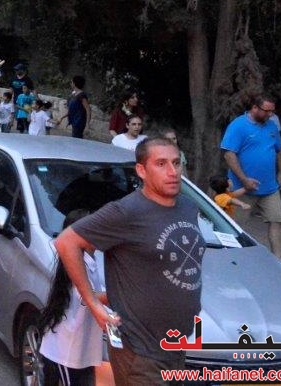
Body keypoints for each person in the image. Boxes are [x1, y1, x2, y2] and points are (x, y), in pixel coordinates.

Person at [55, 138, 205, 383]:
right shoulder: (126, 211)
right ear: (141, 170)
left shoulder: (187, 207)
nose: (172, 171)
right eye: (161, 164)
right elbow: (66, 242)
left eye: (176, 163)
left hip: (176, 345)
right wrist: (93, 303)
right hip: (139, 350)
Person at [38, 209, 104, 386]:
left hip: (80, 350)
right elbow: (89, 296)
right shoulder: (76, 265)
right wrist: (122, 294)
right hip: (66, 351)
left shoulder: (91, 261)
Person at [221, 94, 281, 257]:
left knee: (277, 221)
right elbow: (229, 154)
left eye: (272, 111)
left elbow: (279, 149)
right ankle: (233, 259)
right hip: (242, 188)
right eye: (266, 111)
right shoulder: (238, 126)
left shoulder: (271, 126)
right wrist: (244, 180)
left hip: (269, 187)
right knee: (234, 227)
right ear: (255, 108)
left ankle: (278, 261)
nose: (270, 115)